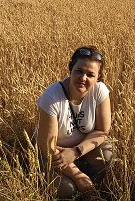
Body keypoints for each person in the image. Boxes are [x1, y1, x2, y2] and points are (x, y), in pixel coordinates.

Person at [36, 46, 113, 199]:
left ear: (98, 78)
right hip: (54, 155)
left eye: (90, 74)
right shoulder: (51, 98)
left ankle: (92, 182)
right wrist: (78, 176)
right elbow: (48, 147)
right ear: (71, 69)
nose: (83, 78)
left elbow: (102, 131)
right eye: (79, 71)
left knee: (108, 157)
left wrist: (75, 152)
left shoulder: (100, 91)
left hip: (81, 148)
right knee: (67, 190)